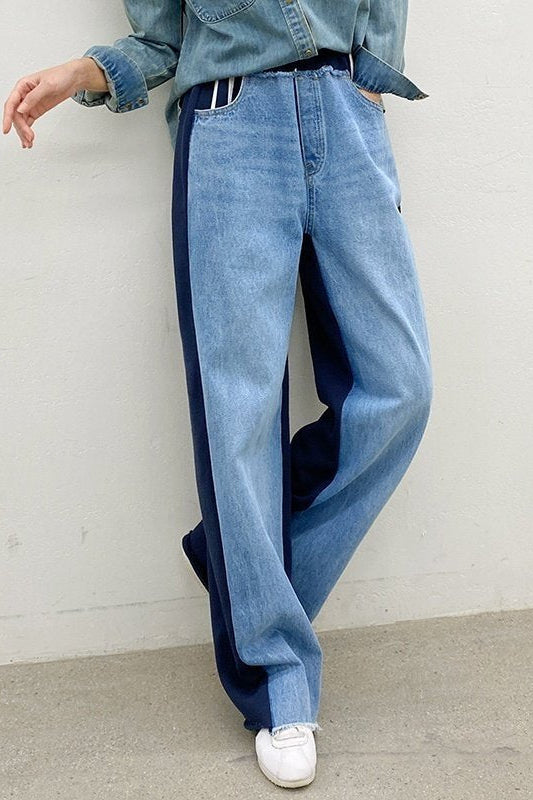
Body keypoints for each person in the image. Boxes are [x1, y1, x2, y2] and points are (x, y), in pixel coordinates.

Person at [2, 0, 432, 789]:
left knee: (398, 389)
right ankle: (277, 681)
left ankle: (235, 564)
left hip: (346, 111)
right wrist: (81, 73)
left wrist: (369, 78)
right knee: (240, 418)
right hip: (231, 124)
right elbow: (161, 35)